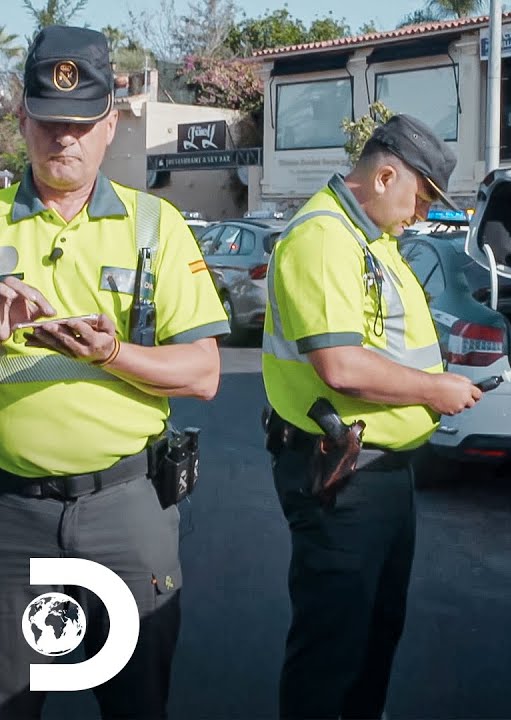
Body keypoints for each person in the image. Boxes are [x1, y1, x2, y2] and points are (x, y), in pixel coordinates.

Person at [0, 25, 229, 718]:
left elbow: (203, 374)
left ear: (111, 124)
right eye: (46, 121)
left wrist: (111, 354)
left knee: (135, 703)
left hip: (125, 515)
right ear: (20, 120)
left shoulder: (156, 227)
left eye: (79, 123)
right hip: (12, 517)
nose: (61, 138)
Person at [261, 114, 483, 720]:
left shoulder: (371, 241)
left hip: (380, 475)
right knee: (332, 652)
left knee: (374, 638)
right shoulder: (323, 237)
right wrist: (434, 390)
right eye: (422, 198)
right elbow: (341, 365)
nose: (422, 215)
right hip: (340, 475)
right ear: (386, 175)